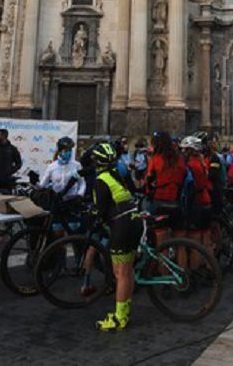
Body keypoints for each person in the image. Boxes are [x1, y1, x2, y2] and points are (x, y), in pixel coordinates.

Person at [88, 142, 141, 332]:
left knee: (121, 273)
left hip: (122, 224)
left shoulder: (101, 180)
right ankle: (124, 311)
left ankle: (119, 318)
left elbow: (99, 211)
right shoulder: (116, 174)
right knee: (127, 271)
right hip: (133, 220)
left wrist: (90, 215)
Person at [145, 131, 185, 241]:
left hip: (160, 201)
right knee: (180, 241)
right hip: (176, 201)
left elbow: (148, 181)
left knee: (162, 239)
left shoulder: (156, 159)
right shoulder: (179, 159)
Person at [178, 135, 213, 249]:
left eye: (185, 149)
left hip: (197, 203)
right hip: (206, 200)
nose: (183, 152)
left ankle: (195, 267)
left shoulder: (192, 164)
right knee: (206, 237)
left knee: (195, 240)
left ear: (191, 150)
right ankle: (208, 265)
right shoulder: (201, 161)